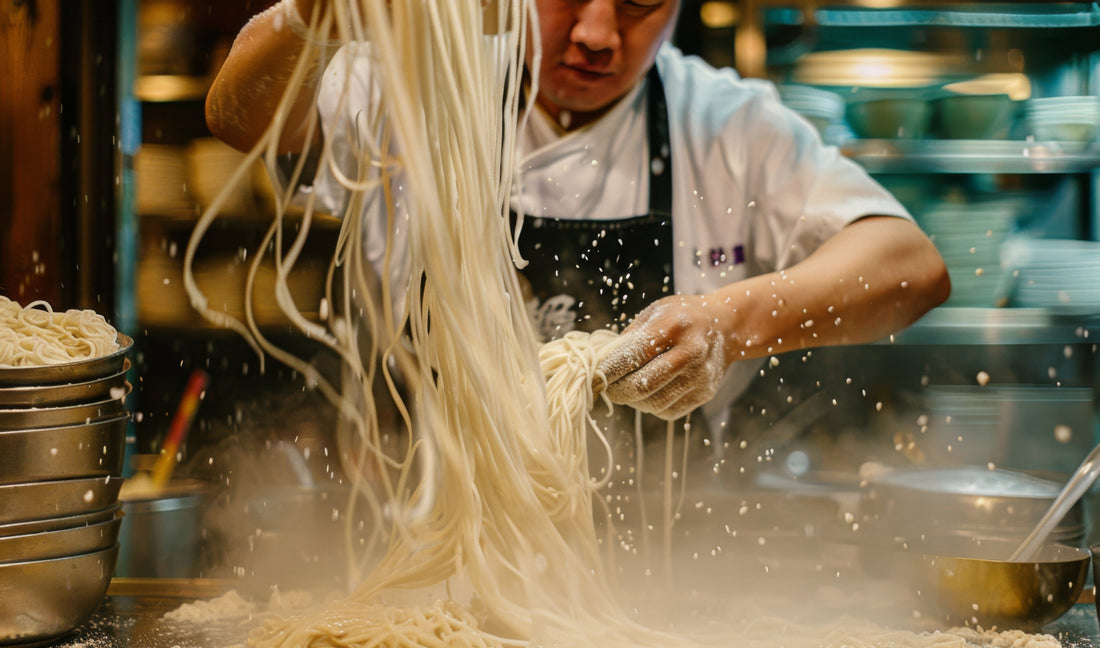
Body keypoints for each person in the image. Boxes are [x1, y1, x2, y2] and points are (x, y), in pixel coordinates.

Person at [205, 0, 950, 433]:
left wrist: (730, 322)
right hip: (420, 564)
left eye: (636, 2)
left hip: (665, 575)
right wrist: (314, 16)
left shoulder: (723, 123)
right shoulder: (415, 83)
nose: (597, 34)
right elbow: (237, 116)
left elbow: (911, 265)